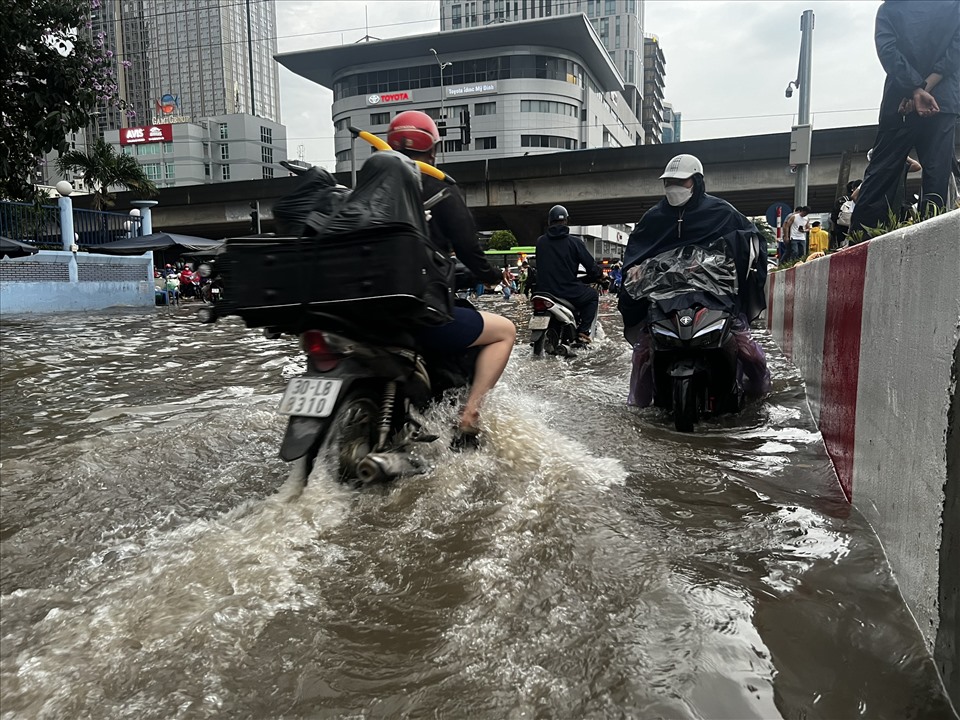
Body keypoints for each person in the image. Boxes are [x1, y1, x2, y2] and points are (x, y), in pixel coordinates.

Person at [386, 110, 516, 446]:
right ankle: (470, 413)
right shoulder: (439, 188)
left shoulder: (363, 193)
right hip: (417, 315)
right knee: (505, 331)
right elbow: (470, 250)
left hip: (361, 316)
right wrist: (491, 277)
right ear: (432, 151)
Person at [617, 153, 771, 407]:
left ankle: (759, 395)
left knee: (749, 351)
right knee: (642, 354)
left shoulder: (722, 212)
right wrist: (636, 272)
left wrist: (737, 271)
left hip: (715, 299)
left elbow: (751, 244)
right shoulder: (653, 218)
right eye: (668, 182)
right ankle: (637, 406)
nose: (673, 188)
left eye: (681, 181)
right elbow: (636, 252)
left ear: (696, 182)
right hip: (665, 302)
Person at [849, 0, 960, 236]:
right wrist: (926, 88)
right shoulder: (953, 6)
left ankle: (863, 238)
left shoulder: (890, 8)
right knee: (936, 175)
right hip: (942, 100)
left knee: (882, 171)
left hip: (899, 101)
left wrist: (914, 90)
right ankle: (932, 237)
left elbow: (888, 52)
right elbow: (956, 50)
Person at [533, 204, 604, 344]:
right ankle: (583, 332)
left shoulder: (540, 242)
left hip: (542, 291)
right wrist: (600, 275)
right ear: (566, 221)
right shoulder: (575, 243)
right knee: (592, 296)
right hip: (566, 291)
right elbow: (591, 267)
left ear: (549, 222)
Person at [830, 179, 862, 249]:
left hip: (841, 229)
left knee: (842, 248)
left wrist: (840, 224)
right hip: (857, 228)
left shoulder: (840, 200)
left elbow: (833, 216)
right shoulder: (861, 199)